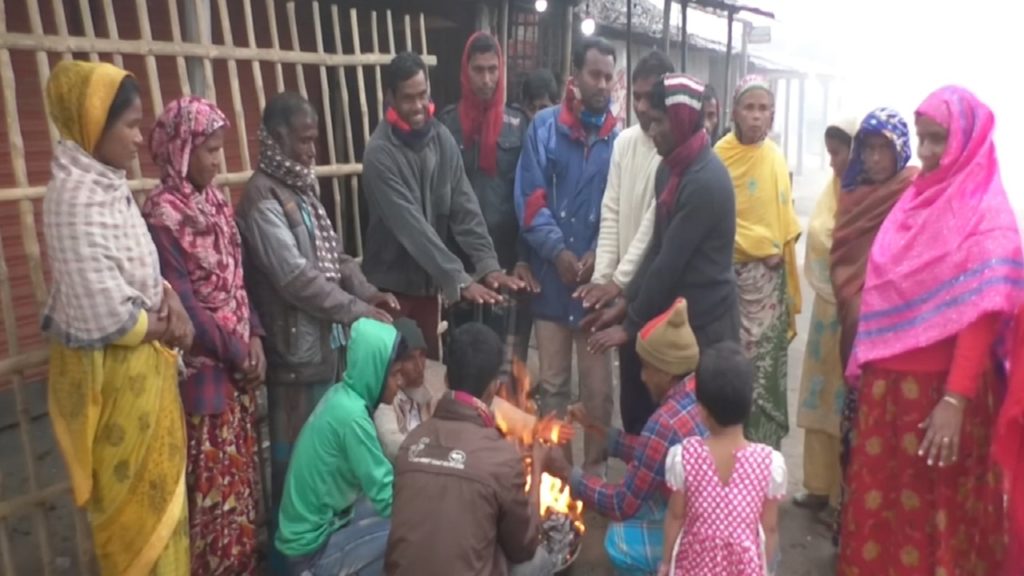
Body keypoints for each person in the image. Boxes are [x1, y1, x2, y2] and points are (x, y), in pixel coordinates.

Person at [838, 87, 1023, 575]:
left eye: (938, 139)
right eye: (922, 139)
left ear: (968, 139)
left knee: (936, 518)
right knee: (883, 515)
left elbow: (981, 316)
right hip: (889, 395)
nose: (926, 152)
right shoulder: (914, 203)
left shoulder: (987, 214)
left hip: (941, 397)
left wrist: (955, 400)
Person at [41, 60, 194, 575]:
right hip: (116, 385)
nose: (138, 139)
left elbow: (140, 269)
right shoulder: (73, 202)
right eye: (129, 126)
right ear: (92, 127)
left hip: (147, 374)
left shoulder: (110, 187)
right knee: (132, 525)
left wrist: (169, 296)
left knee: (165, 509)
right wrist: (168, 326)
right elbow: (107, 311)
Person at [236, 91, 396, 515]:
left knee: (326, 465)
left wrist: (367, 290)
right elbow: (296, 278)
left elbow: (336, 259)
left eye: (314, 141)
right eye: (304, 141)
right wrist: (356, 309)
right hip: (295, 359)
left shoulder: (301, 188)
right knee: (297, 473)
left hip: (325, 349)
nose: (311, 151)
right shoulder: (261, 198)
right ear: (277, 137)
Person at [143, 96, 264, 574]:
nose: (218, 160)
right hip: (204, 380)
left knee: (240, 496)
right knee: (213, 498)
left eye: (221, 149)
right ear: (180, 147)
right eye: (209, 149)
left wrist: (254, 337)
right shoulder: (163, 216)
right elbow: (186, 303)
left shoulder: (215, 203)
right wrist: (237, 351)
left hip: (237, 372)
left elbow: (237, 278)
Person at [586, 73, 739, 435]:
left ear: (683, 121)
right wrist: (624, 304)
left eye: (658, 121)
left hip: (704, 324)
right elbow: (655, 249)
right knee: (646, 419)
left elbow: (669, 263)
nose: (650, 130)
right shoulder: (670, 169)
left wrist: (631, 324)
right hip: (672, 315)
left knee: (693, 432)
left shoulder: (704, 181)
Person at [362, 51, 523, 360]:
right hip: (390, 288)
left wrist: (488, 263)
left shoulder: (442, 138)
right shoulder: (379, 153)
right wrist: (459, 279)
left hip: (427, 287)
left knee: (427, 373)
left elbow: (465, 208)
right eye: (409, 98)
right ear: (390, 97)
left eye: (423, 95)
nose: (419, 105)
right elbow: (413, 230)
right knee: (391, 378)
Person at [514, 35, 618, 473]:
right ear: (574, 77)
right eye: (595, 74)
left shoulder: (621, 140)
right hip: (552, 285)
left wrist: (599, 252)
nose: (603, 84)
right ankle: (559, 477)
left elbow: (623, 210)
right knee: (553, 386)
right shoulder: (543, 128)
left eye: (610, 77)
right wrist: (556, 252)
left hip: (597, 290)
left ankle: (593, 478)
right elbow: (529, 200)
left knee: (597, 393)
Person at [547, 298, 706, 575]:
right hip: (714, 517)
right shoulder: (696, 391)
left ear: (666, 371)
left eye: (647, 367)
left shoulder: (664, 421)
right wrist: (596, 427)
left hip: (698, 534)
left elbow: (620, 504)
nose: (642, 377)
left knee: (618, 540)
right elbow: (652, 452)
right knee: (646, 494)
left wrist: (567, 472)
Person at [386, 323, 557, 576]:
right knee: (538, 561)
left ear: (445, 379)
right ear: (493, 387)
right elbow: (524, 546)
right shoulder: (502, 457)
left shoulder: (412, 441)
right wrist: (537, 468)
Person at [829, 108, 919, 544]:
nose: (876, 157)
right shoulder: (852, 194)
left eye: (885, 148)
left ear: (901, 150)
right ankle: (852, 523)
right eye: (869, 147)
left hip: (898, 330)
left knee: (889, 436)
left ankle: (885, 533)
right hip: (857, 325)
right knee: (857, 431)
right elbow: (843, 257)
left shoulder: (913, 191)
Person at [275, 317, 410, 576]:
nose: (400, 382)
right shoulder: (353, 419)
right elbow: (387, 497)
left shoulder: (341, 395)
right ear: (375, 370)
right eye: (394, 374)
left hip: (304, 538)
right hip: (311, 553)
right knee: (412, 533)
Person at [438, 32, 537, 371]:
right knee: (462, 354)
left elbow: (531, 197)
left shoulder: (519, 124)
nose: (486, 79)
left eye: (493, 69)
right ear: (465, 72)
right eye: (478, 70)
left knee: (501, 360)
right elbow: (440, 198)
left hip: (505, 260)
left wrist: (524, 255)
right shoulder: (447, 125)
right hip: (460, 263)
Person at [714, 75, 801, 449]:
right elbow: (713, 223)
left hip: (768, 287)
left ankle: (764, 461)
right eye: (748, 108)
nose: (755, 116)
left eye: (763, 109)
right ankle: (730, 457)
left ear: (773, 114)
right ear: (734, 111)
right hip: (729, 285)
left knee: (764, 377)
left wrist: (771, 248)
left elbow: (784, 219)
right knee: (730, 375)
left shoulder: (776, 158)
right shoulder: (719, 156)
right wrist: (756, 246)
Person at [660, 341, 785, 576]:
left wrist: (666, 563)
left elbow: (676, 517)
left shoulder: (685, 457)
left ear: (703, 411)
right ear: (749, 405)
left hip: (693, 567)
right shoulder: (769, 463)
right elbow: (770, 528)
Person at [792, 117, 858, 526]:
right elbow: (818, 234)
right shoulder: (832, 191)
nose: (833, 162)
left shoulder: (870, 196)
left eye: (840, 152)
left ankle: (842, 498)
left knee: (847, 405)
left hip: (857, 315)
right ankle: (817, 485)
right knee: (819, 397)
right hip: (826, 314)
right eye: (830, 153)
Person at [575, 50, 674, 321]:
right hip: (623, 290)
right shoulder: (624, 141)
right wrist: (602, 278)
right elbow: (611, 212)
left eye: (650, 97)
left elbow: (651, 227)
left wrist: (616, 281)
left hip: (658, 287)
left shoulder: (674, 149)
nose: (641, 106)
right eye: (636, 96)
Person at [373, 318, 433, 460]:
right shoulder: (386, 397)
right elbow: (392, 446)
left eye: (422, 356)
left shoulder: (434, 383)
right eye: (410, 359)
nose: (419, 367)